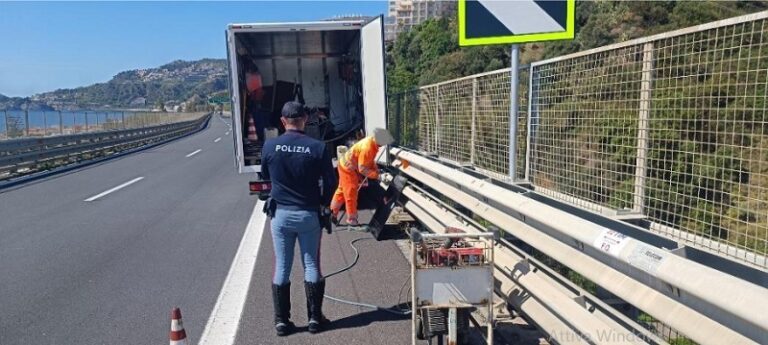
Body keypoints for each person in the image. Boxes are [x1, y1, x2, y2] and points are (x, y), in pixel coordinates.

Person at [261, 101, 337, 336]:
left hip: (281, 215)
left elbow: (265, 175)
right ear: (305, 119)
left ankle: (282, 322)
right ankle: (315, 319)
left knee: (282, 267)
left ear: (283, 121)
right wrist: (324, 204)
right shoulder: (317, 147)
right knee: (312, 265)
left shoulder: (270, 146)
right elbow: (332, 181)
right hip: (308, 214)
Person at [330, 128, 394, 225]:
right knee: (351, 193)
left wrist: (376, 171)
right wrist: (378, 176)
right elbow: (362, 169)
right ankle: (351, 220)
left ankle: (332, 214)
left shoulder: (372, 143)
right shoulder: (368, 148)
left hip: (345, 164)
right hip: (348, 168)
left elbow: (370, 160)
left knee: (342, 191)